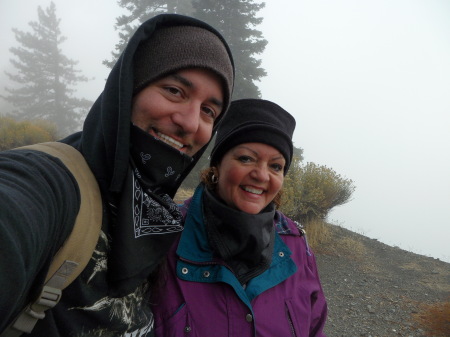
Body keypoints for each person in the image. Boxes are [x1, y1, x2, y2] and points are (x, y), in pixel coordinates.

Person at [0, 14, 234, 336]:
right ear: (128, 88)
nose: (191, 123)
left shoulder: (158, 214)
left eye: (209, 111)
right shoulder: (50, 185)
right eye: (174, 90)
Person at [151, 99, 328, 337]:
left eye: (276, 166)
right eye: (246, 158)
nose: (262, 175)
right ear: (217, 165)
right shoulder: (165, 236)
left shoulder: (297, 245)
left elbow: (315, 328)